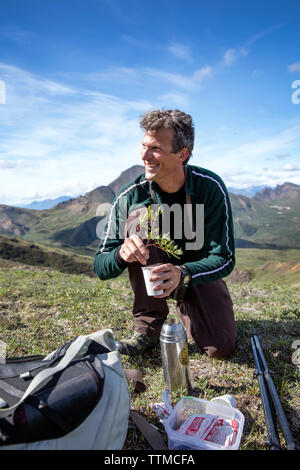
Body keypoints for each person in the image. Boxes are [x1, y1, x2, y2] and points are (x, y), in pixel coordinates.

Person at [94, 109, 237, 359]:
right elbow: (100, 265)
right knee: (140, 227)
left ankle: (189, 308)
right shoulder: (130, 197)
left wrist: (184, 273)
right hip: (153, 276)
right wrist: (120, 254)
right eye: (143, 146)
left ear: (182, 154)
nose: (144, 155)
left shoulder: (209, 187)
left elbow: (224, 258)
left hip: (195, 276)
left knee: (220, 347)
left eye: (156, 149)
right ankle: (149, 329)